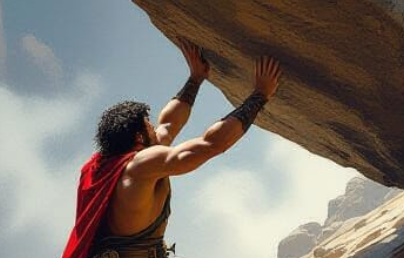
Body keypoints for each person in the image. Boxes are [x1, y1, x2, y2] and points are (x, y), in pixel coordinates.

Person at [61, 38, 283, 258]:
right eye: (150, 127)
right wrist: (260, 95)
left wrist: (195, 79)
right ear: (139, 138)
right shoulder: (140, 167)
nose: (156, 129)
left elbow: (169, 125)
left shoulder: (114, 166)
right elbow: (210, 145)